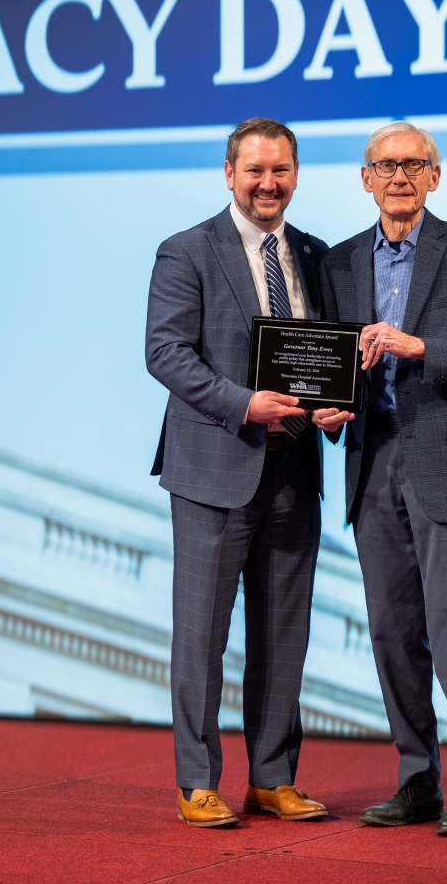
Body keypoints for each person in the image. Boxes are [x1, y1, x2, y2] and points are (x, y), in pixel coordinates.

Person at [317, 121, 447, 837]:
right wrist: (328, 410)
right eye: (386, 165)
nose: (399, 176)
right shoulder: (341, 263)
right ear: (366, 179)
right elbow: (332, 364)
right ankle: (416, 778)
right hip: (372, 460)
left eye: (413, 164)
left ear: (435, 177)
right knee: (391, 632)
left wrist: (421, 347)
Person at [146, 117, 342, 828]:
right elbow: (166, 353)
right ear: (228, 173)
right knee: (201, 634)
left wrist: (334, 407)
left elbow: (326, 357)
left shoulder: (316, 257)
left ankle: (272, 778)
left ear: (296, 175)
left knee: (284, 635)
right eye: (255, 170)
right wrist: (244, 405)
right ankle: (197, 781)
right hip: (213, 469)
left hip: (295, 471)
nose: (268, 183)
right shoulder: (186, 251)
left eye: (280, 170)